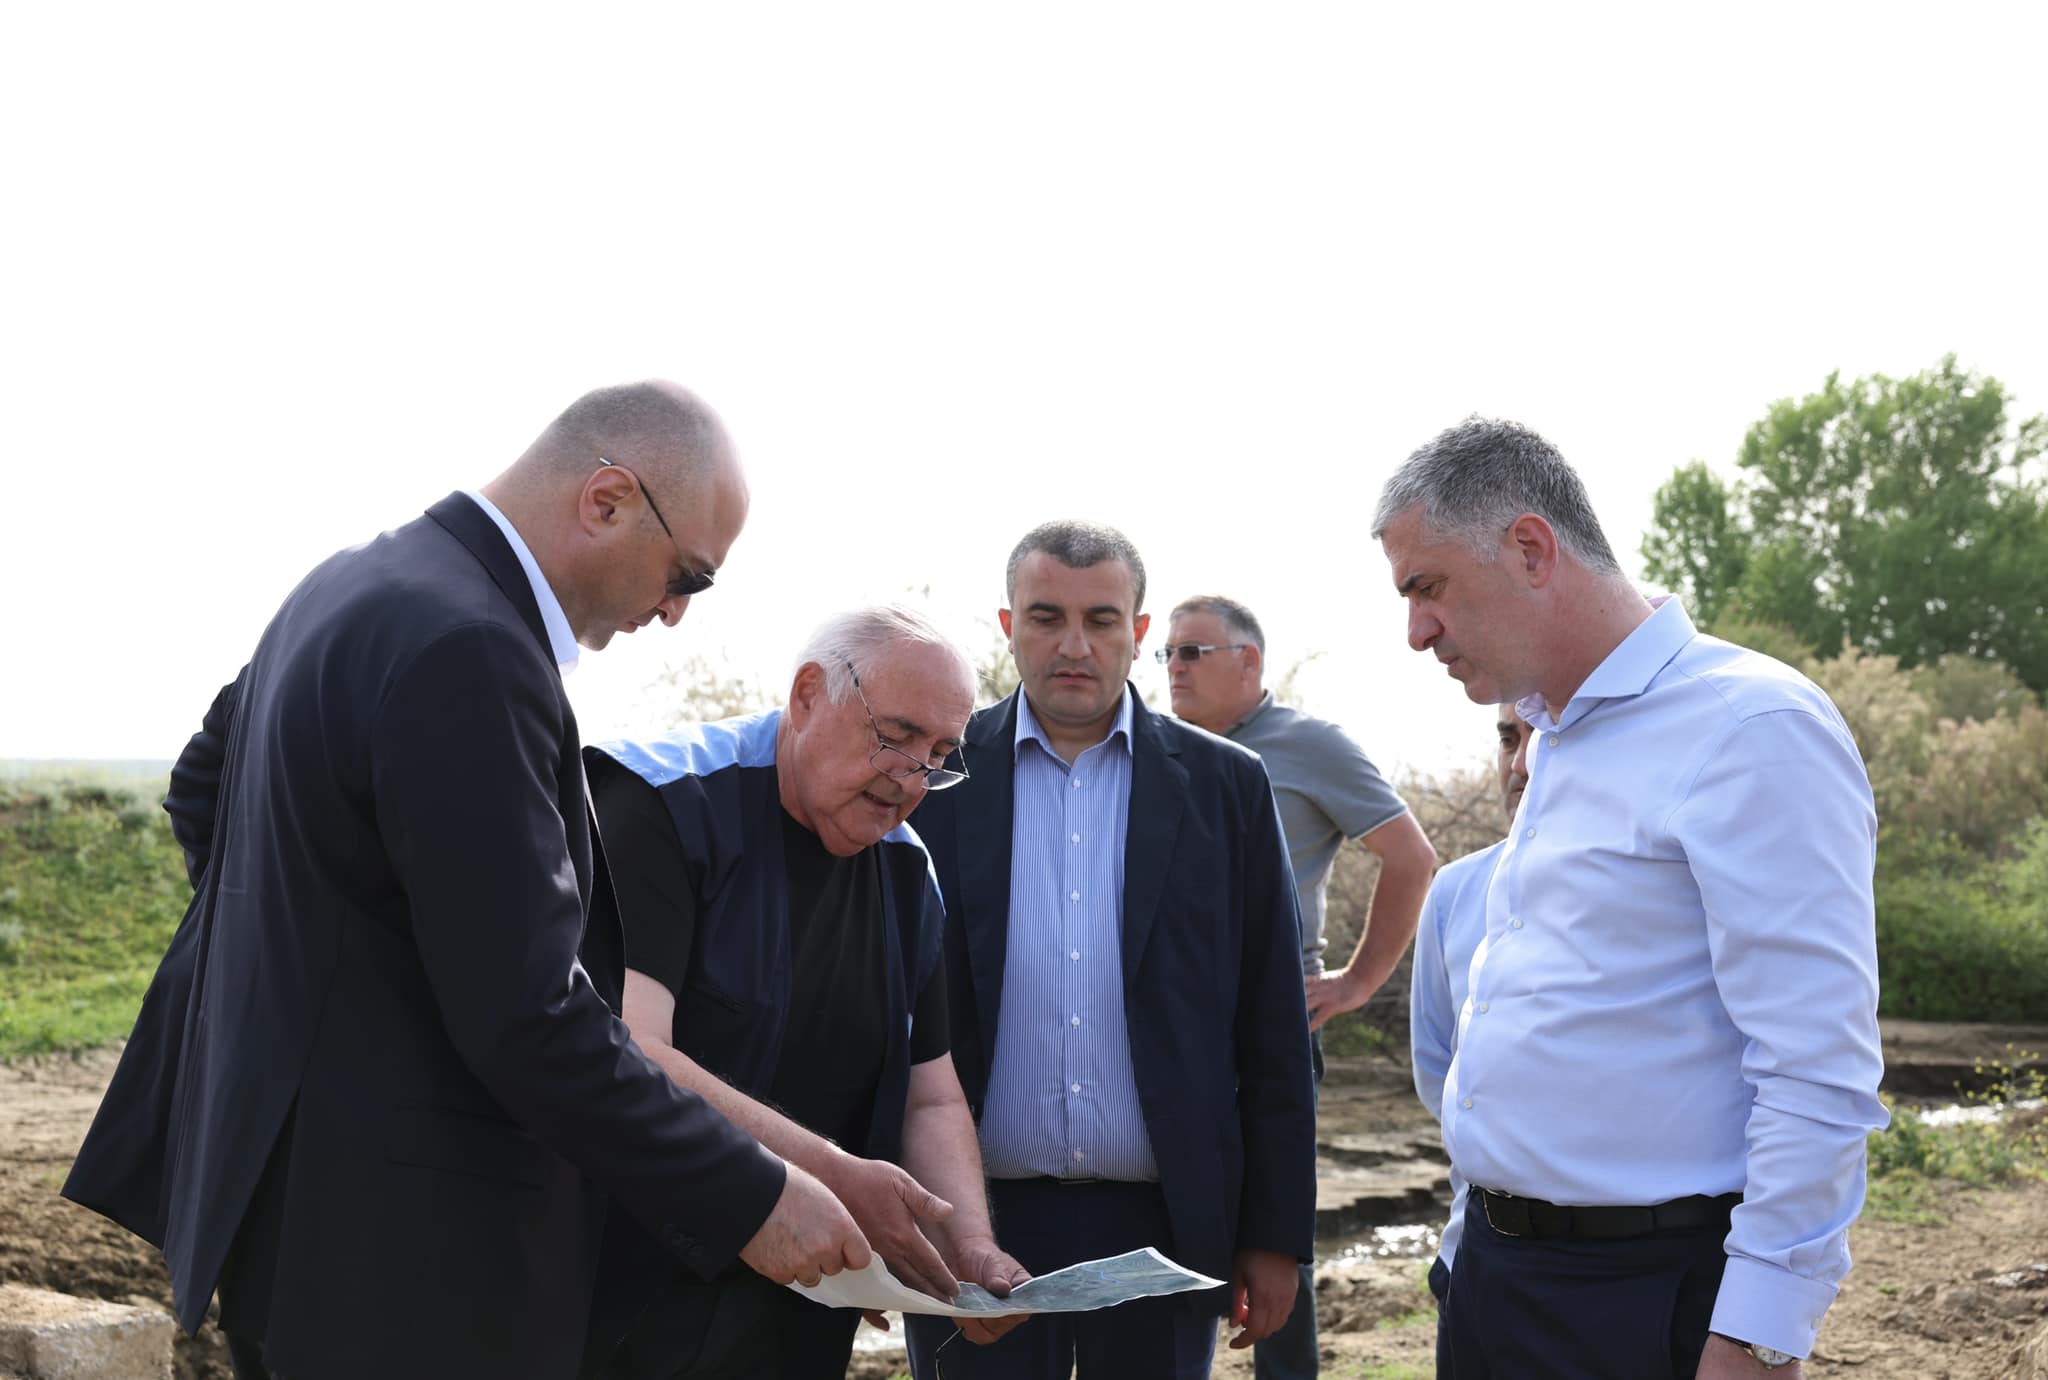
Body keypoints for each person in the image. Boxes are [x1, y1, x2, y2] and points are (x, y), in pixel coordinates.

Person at [62, 381, 868, 1380]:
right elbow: (526, 1016)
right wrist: (749, 1195)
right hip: (409, 1260)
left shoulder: (352, 582)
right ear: (606, 499)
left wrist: (315, 979)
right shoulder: (473, 648)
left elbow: (204, 790)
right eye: (687, 576)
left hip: (292, 1227)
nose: (673, 613)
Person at [1373, 417, 1886, 1379]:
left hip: (1641, 1300)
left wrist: (1760, 1334)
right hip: (1491, 1282)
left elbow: (1816, 1065)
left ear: (1531, 548)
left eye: (1426, 587)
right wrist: (1464, 1258)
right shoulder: (1557, 739)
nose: (1416, 632)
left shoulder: (1749, 726)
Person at [902, 521, 1317, 1380]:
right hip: (968, 1222)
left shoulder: (1227, 786)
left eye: (1101, 619)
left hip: (1164, 1232)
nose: (1074, 645)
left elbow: (1273, 1025)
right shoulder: (932, 777)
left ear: (1138, 630)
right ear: (1008, 625)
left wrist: (1276, 1236)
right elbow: (873, 1007)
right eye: (1046, 617)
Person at [581, 605, 1029, 1379]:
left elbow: (931, 1096)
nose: (912, 779)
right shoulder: (662, 802)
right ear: (808, 694)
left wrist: (969, 1244)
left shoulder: (908, 872)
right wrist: (831, 1175)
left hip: (799, 1305)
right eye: (897, 736)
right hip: (614, 1288)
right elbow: (631, 1049)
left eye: (938, 756)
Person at [1161, 593, 1437, 1380]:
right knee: (1168, 1210)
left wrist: (1356, 982)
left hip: (1274, 1023)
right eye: (1167, 653)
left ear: (1249, 661)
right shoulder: (1154, 748)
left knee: (1275, 1228)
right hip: (1171, 1024)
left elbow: (1411, 857)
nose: (1174, 668)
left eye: (1192, 652)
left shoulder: (1309, 745)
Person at [1408, 705, 1532, 1339]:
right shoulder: (1454, 892)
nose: (1521, 764)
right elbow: (1438, 1065)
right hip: (1472, 1261)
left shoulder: (1665, 884)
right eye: (1509, 738)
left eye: (1545, 737)